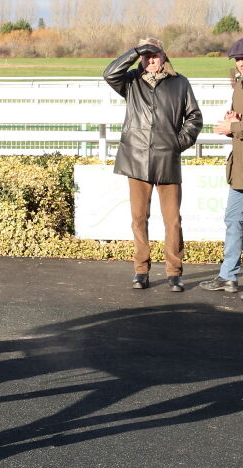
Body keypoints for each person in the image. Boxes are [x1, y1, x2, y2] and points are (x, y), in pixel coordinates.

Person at [103, 38, 202, 291]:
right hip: (136, 158)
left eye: (154, 55)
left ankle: (174, 272)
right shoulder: (131, 82)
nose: (150, 60)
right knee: (139, 218)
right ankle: (140, 270)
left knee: (172, 220)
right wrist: (135, 51)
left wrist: (177, 143)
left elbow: (194, 117)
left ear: (163, 56)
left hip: (167, 158)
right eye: (145, 56)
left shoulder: (180, 82)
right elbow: (109, 73)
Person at [202, 37, 243, 297]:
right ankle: (228, 276)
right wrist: (232, 122)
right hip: (240, 168)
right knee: (233, 221)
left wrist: (235, 127)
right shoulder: (238, 86)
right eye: (238, 60)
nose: (241, 64)